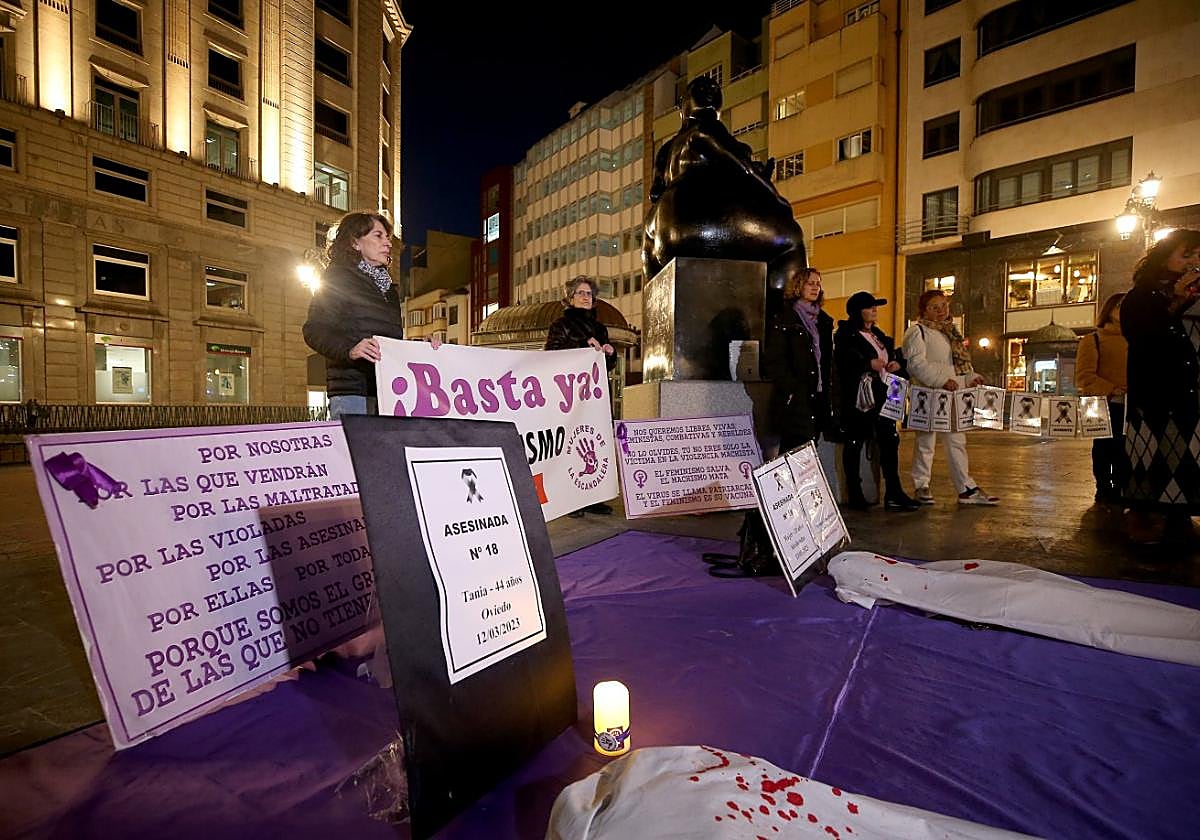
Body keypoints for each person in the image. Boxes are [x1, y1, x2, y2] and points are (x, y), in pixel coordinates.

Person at [1119, 228, 1200, 544]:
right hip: (1155, 393)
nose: (1194, 262)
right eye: (1186, 254)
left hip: (1190, 391)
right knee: (1153, 454)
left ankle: (1180, 515)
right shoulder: (1142, 296)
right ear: (1165, 258)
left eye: (1198, 256)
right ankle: (1144, 515)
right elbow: (1143, 337)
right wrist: (1177, 300)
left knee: (1187, 452)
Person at [901, 289, 999, 505]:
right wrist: (941, 380)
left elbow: (960, 365)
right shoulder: (917, 332)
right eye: (934, 307)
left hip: (954, 396)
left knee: (957, 441)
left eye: (944, 305)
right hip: (930, 394)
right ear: (924, 310)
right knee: (926, 441)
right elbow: (916, 364)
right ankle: (921, 484)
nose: (941, 311)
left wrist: (972, 377)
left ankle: (966, 487)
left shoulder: (952, 332)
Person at [303, 211, 404, 419]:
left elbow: (391, 341)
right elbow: (314, 330)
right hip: (352, 393)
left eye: (387, 237)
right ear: (355, 242)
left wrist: (425, 348)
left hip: (387, 393)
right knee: (353, 452)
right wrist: (350, 349)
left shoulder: (389, 290)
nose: (387, 243)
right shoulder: (338, 278)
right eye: (378, 236)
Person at [834, 292, 921, 512]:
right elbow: (844, 362)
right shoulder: (846, 335)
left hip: (884, 394)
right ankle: (855, 492)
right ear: (857, 311)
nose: (874, 310)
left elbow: (891, 358)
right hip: (861, 398)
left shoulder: (879, 335)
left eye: (876, 307)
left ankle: (894, 491)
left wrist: (895, 364)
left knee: (889, 442)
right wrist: (866, 363)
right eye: (869, 307)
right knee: (855, 441)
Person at [545, 275, 618, 516]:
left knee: (594, 442)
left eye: (590, 294)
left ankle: (593, 495)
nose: (586, 297)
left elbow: (607, 367)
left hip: (594, 397)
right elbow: (551, 356)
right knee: (570, 444)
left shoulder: (600, 328)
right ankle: (571, 498)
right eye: (581, 293)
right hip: (569, 396)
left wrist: (609, 353)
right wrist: (581, 346)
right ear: (570, 298)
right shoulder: (560, 325)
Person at [763, 267, 834, 451]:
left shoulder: (823, 321)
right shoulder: (786, 318)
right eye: (810, 283)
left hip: (817, 396)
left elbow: (826, 361)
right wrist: (791, 388)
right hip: (796, 398)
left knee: (810, 448)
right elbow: (774, 359)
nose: (815, 287)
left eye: (818, 284)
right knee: (794, 449)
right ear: (799, 286)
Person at [1075, 292, 1129, 504]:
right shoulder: (1093, 339)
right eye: (1119, 307)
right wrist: (1113, 389)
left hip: (1129, 404)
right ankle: (1105, 487)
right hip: (1100, 403)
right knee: (1104, 448)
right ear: (1109, 310)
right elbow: (1084, 376)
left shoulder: (1135, 338)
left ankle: (1122, 485)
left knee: (1126, 447)